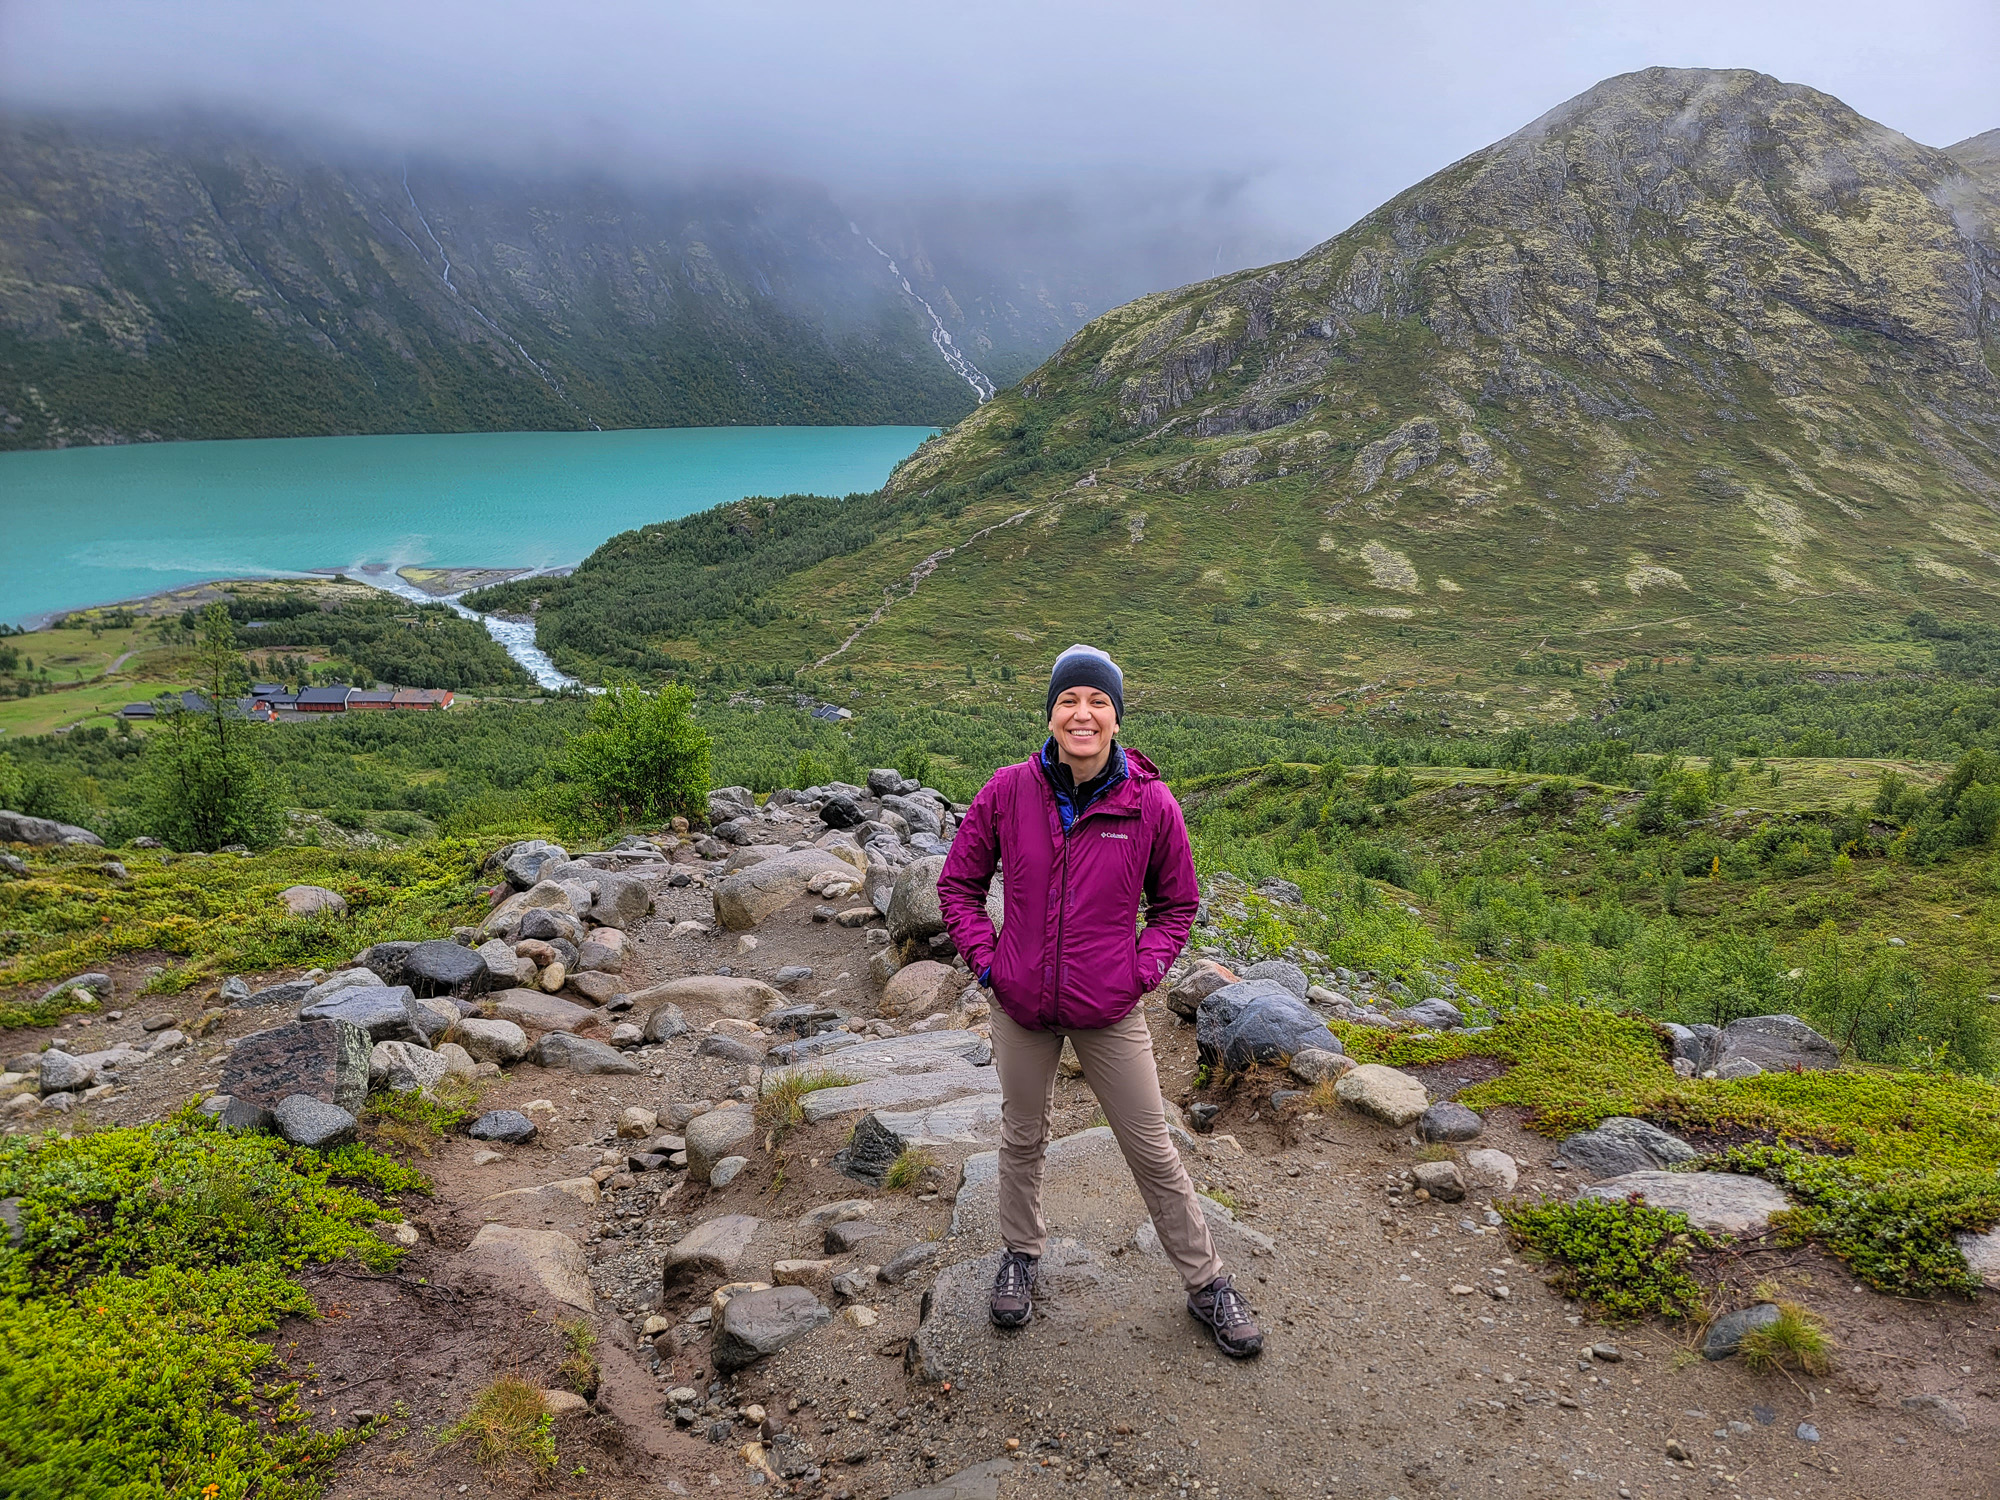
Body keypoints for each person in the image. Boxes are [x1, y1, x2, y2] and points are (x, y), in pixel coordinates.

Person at [937, 644, 1264, 1358]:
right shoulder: (1007, 791)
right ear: (1051, 714)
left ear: (1116, 718)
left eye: (1098, 703)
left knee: (1151, 1148)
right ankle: (1021, 1255)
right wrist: (989, 965)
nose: (1082, 714)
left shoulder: (1150, 804)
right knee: (1022, 1136)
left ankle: (1207, 1283)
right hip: (1022, 1005)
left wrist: (1139, 974)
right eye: (1068, 701)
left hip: (1109, 1008)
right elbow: (957, 886)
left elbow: (1177, 904)